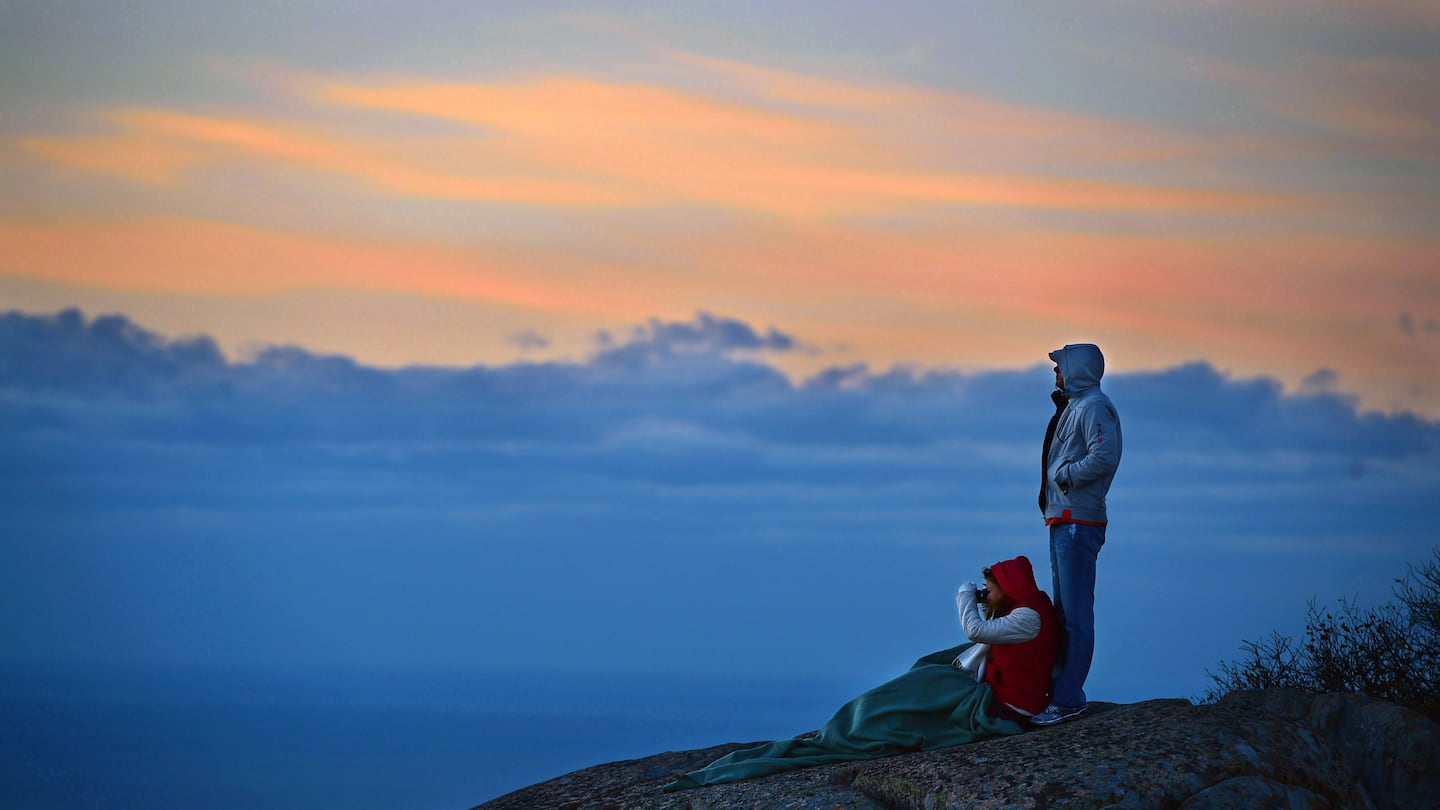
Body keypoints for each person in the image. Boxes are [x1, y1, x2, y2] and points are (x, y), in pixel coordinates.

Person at [663, 555, 1058, 792]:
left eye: (989, 587)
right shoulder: (1026, 609)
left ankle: (867, 718)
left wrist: (962, 594)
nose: (985, 594)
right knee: (924, 673)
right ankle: (870, 714)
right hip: (997, 692)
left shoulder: (1026, 617)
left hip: (1001, 708)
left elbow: (974, 632)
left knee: (913, 690)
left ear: (1008, 586)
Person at [1033, 343, 1122, 726]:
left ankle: (1069, 699)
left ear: (1078, 369)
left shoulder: (1093, 407)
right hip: (1063, 518)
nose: (1056, 375)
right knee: (1064, 613)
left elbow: (1106, 456)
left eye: (1060, 367)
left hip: (1077, 520)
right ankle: (1060, 694)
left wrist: (1066, 476)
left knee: (1075, 615)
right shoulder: (1076, 406)